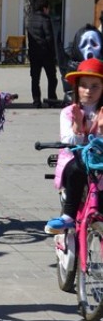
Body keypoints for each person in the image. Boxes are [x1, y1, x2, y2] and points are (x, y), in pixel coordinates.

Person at [45, 58, 103, 234]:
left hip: (99, 160)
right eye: (84, 85)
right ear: (76, 88)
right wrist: (78, 127)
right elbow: (68, 142)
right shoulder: (68, 112)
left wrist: (100, 129)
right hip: (74, 158)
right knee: (78, 167)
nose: (88, 91)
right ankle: (68, 216)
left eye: (95, 86)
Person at [27, 0, 59, 108]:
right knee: (52, 78)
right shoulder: (45, 19)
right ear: (44, 8)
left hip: (34, 54)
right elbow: (49, 38)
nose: (49, 11)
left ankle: (36, 101)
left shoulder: (30, 20)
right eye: (48, 8)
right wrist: (53, 54)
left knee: (35, 79)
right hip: (46, 54)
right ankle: (51, 99)